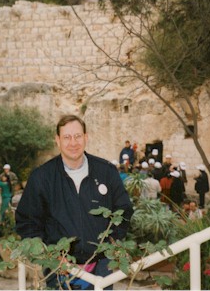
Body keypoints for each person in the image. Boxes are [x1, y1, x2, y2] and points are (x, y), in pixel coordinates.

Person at [15, 115, 134, 290]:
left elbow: (124, 210)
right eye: (67, 137)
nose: (73, 143)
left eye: (77, 136)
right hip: (59, 271)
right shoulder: (42, 177)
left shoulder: (106, 171)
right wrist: (50, 255)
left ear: (86, 137)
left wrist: (113, 245)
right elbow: (27, 221)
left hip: (101, 268)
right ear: (57, 140)